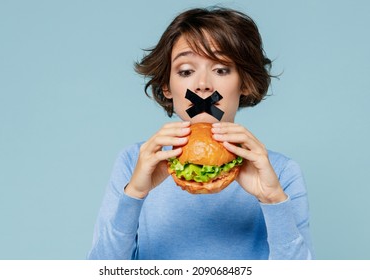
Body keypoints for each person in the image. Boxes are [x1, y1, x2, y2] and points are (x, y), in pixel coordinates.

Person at [88, 6, 314, 260]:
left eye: (221, 69)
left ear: (245, 83)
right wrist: (134, 196)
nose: (203, 85)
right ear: (167, 87)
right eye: (186, 71)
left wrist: (273, 200)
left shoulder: (281, 172)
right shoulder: (134, 161)